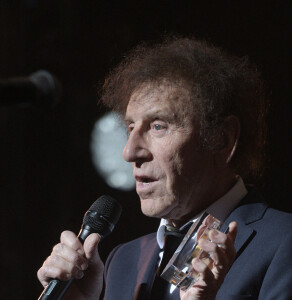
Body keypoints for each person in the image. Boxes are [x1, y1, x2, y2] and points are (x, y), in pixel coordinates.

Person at [37, 37, 292, 299]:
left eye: (158, 126)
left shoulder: (284, 243)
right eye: (130, 128)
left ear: (222, 139)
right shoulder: (122, 262)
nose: (129, 152)